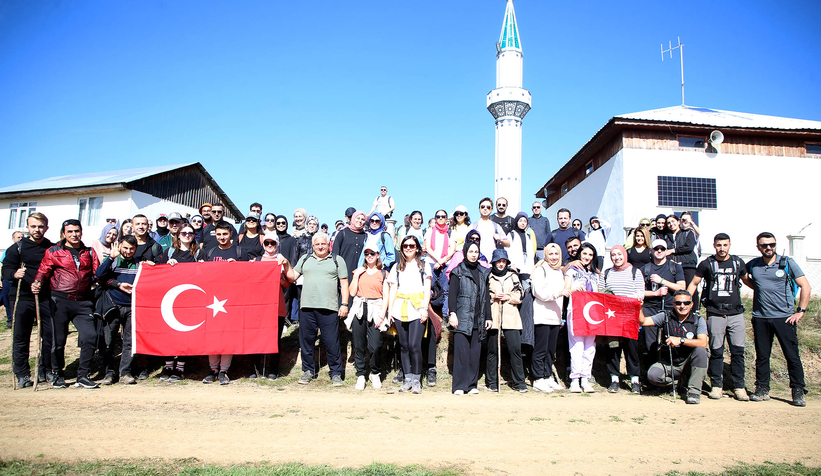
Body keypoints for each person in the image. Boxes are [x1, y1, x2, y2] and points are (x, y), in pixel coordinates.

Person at [742, 232, 811, 407]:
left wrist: (800, 311)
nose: (768, 248)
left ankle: (798, 391)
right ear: (758, 247)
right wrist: (756, 287)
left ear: (775, 245)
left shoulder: (787, 263)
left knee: (792, 356)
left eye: (771, 244)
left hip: (785, 318)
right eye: (764, 245)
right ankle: (762, 389)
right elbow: (743, 276)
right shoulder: (754, 265)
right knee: (762, 356)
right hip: (760, 318)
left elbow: (806, 286)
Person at [32, 219, 100, 389]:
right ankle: (57, 374)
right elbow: (43, 271)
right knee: (58, 340)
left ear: (81, 232)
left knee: (90, 336)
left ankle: (83, 375)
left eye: (76, 231)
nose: (74, 234)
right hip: (59, 300)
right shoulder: (54, 251)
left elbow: (98, 274)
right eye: (70, 232)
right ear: (64, 233)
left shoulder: (89, 252)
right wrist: (38, 282)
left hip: (83, 302)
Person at [687, 233, 749, 401]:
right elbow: (694, 283)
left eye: (725, 245)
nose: (722, 248)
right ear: (714, 246)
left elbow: (748, 281)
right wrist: (686, 301)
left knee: (738, 352)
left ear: (730, 245)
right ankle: (716, 386)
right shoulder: (706, 264)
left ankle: (739, 387)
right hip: (715, 313)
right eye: (719, 245)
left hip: (736, 314)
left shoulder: (738, 263)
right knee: (716, 351)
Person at [287, 232, 349, 387]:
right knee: (306, 341)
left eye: (323, 244)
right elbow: (292, 276)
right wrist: (284, 264)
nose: (320, 247)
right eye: (317, 244)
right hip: (307, 307)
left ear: (328, 244)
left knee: (331, 342)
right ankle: (308, 371)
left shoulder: (337, 260)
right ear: (313, 246)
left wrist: (345, 304)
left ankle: (335, 373)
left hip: (329, 308)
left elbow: (344, 283)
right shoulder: (305, 259)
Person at [2, 214, 55, 387]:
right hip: (22, 296)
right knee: (21, 336)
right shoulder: (17, 248)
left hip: (45, 297)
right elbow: (6, 270)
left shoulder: (52, 248)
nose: (37, 230)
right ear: (28, 227)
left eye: (40, 226)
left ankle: (44, 369)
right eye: (33, 227)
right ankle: (22, 373)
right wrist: (14, 274)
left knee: (48, 336)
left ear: (46, 227)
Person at [638, 290, 708, 404]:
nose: (682, 306)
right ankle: (677, 383)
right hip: (670, 363)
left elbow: (703, 342)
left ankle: (694, 392)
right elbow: (644, 322)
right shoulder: (665, 317)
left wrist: (681, 341)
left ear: (691, 304)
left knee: (701, 351)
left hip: (689, 363)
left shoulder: (698, 320)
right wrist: (640, 308)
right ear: (674, 304)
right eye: (679, 303)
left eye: (686, 303)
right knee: (653, 375)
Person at [201, 221, 247, 385]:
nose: (221, 237)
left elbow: (249, 274)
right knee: (212, 336)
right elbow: (201, 275)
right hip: (212, 301)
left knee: (227, 336)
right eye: (218, 234)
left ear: (231, 235)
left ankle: (224, 371)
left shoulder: (240, 252)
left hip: (232, 301)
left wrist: (239, 267)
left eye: (224, 234)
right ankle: (212, 370)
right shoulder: (209, 251)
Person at [157, 224, 202, 382]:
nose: (187, 235)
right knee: (170, 334)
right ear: (178, 235)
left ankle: (180, 367)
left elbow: (206, 273)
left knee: (184, 335)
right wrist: (166, 265)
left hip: (190, 300)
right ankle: (168, 366)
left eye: (191, 233)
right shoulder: (169, 252)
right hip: (171, 299)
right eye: (184, 232)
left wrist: (202, 266)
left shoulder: (198, 253)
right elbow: (156, 269)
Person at [386, 235, 431, 394]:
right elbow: (393, 289)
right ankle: (407, 379)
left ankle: (417, 380)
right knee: (403, 346)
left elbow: (427, 289)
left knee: (414, 345)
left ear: (417, 248)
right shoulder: (396, 267)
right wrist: (390, 311)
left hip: (417, 308)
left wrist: (425, 308)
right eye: (405, 246)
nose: (408, 248)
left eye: (412, 245)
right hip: (400, 308)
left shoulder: (424, 266)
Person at [599, 245, 645, 394]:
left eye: (619, 254)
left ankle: (635, 381)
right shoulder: (606, 273)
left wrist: (633, 299)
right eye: (613, 255)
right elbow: (601, 292)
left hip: (630, 316)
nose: (616, 257)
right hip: (612, 317)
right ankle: (614, 380)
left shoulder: (635, 272)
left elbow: (640, 292)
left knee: (631, 349)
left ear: (624, 255)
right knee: (613, 348)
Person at [95, 235, 140, 385]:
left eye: (131, 248)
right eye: (125, 247)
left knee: (129, 341)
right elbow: (99, 275)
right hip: (112, 305)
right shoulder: (113, 260)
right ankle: (108, 373)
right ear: (119, 246)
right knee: (109, 341)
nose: (128, 251)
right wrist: (110, 258)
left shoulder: (139, 263)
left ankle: (125, 373)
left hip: (131, 307)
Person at [448, 240, 491, 395]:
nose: (473, 255)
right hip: (462, 317)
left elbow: (485, 297)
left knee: (474, 354)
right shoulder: (457, 271)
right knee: (461, 353)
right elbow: (452, 295)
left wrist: (488, 316)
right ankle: (459, 386)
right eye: (471, 251)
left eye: (476, 252)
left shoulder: (483, 272)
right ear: (465, 252)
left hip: (478, 319)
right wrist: (452, 313)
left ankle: (472, 385)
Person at [347, 243, 388, 390]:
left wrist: (383, 314)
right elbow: (352, 292)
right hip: (360, 307)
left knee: (375, 345)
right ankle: (361, 374)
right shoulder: (359, 271)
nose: (369, 256)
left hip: (376, 308)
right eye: (367, 254)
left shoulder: (383, 273)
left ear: (378, 255)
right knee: (358, 344)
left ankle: (375, 372)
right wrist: (357, 275)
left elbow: (386, 295)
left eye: (372, 253)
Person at [250, 232, 292, 380]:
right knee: (257, 337)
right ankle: (254, 369)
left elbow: (288, 282)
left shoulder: (282, 260)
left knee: (275, 339)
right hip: (260, 306)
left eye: (272, 243)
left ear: (277, 244)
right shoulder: (257, 260)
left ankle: (274, 369)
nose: (269, 246)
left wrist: (278, 279)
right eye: (267, 243)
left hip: (277, 305)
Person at [486, 249, 527, 392]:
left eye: (503, 261)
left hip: (511, 315)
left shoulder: (513, 276)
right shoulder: (488, 276)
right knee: (492, 350)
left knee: (515, 349)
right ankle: (492, 381)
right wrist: (493, 296)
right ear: (494, 262)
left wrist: (508, 297)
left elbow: (520, 294)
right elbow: (484, 295)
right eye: (498, 261)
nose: (501, 264)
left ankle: (519, 382)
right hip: (494, 315)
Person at [422, 209, 453, 387]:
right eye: (438, 217)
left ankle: (445, 317)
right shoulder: (430, 231)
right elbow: (427, 247)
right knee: (430, 290)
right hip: (431, 262)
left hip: (445, 263)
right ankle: (430, 313)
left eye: (443, 216)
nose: (441, 219)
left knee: (445, 291)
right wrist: (436, 260)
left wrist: (443, 261)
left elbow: (453, 248)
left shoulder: (450, 232)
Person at [530, 243, 567, 392]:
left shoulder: (559, 272)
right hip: (542, 315)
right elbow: (539, 292)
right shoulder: (540, 270)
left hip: (555, 316)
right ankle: (538, 379)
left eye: (556, 254)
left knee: (551, 350)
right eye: (551, 254)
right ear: (545, 255)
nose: (553, 257)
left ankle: (546, 376)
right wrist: (558, 293)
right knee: (541, 349)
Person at [564, 242, 599, 393]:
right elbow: (565, 289)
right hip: (575, 311)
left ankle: (586, 379)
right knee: (577, 347)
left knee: (590, 347)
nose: (587, 257)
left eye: (590, 255)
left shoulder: (595, 274)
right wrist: (574, 289)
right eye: (585, 254)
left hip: (591, 314)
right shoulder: (571, 271)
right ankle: (574, 380)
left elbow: (598, 295)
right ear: (579, 254)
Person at [665, 214, 698, 292]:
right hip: (674, 266)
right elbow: (666, 252)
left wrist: (673, 250)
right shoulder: (666, 237)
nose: (671, 224)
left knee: (690, 289)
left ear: (679, 222)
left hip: (688, 265)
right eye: (668, 223)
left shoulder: (688, 233)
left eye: (673, 221)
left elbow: (689, 247)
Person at [1, 231, 25, 329]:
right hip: (9, 279)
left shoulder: (25, 250)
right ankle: (11, 320)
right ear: (13, 239)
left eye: (22, 237)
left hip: (21, 279)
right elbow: (3, 266)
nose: (20, 239)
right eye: (18, 237)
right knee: (8, 300)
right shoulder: (9, 250)